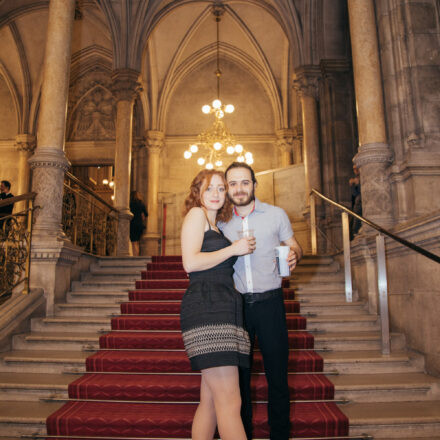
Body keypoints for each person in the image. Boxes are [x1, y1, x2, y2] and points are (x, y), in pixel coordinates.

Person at [221, 162, 303, 440]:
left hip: (271, 303)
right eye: (233, 183)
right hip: (237, 307)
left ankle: (279, 436)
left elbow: (294, 245)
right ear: (227, 188)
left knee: (277, 377)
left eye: (244, 182)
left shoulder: (276, 215)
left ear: (255, 184)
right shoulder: (220, 223)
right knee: (239, 379)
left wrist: (295, 254)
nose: (239, 189)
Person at [180, 169, 256, 440]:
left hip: (223, 307)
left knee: (211, 402)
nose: (216, 194)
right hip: (206, 306)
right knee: (231, 403)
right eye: (209, 188)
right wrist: (233, 249)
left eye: (221, 188)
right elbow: (190, 263)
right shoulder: (196, 215)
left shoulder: (217, 228)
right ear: (197, 193)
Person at [129, 191, 148, 256]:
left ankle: (134, 256)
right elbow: (146, 214)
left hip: (132, 224)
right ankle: (136, 255)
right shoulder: (141, 204)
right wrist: (142, 217)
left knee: (133, 242)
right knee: (137, 242)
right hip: (139, 225)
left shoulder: (130, 204)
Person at [349, 164, 362, 240]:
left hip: (362, 203)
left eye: (356, 168)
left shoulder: (364, 176)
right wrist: (352, 186)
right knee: (354, 221)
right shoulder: (356, 178)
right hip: (357, 203)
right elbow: (355, 194)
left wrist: (359, 184)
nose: (355, 170)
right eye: (354, 169)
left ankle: (356, 232)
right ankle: (355, 234)